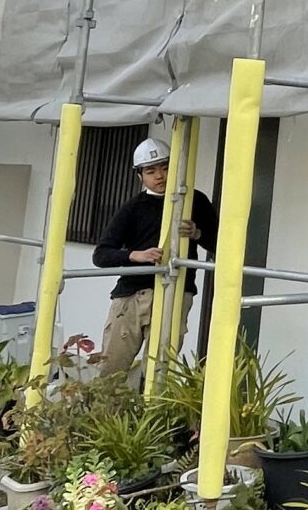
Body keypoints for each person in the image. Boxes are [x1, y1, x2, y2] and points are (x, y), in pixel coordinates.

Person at [92, 137, 218, 381]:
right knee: (112, 368)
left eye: (165, 167)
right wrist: (135, 255)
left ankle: (151, 417)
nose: (159, 176)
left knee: (160, 370)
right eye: (151, 171)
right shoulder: (133, 207)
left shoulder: (195, 200)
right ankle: (106, 418)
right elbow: (101, 254)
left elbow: (219, 244)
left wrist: (197, 233)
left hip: (178, 289)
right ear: (140, 176)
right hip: (133, 294)